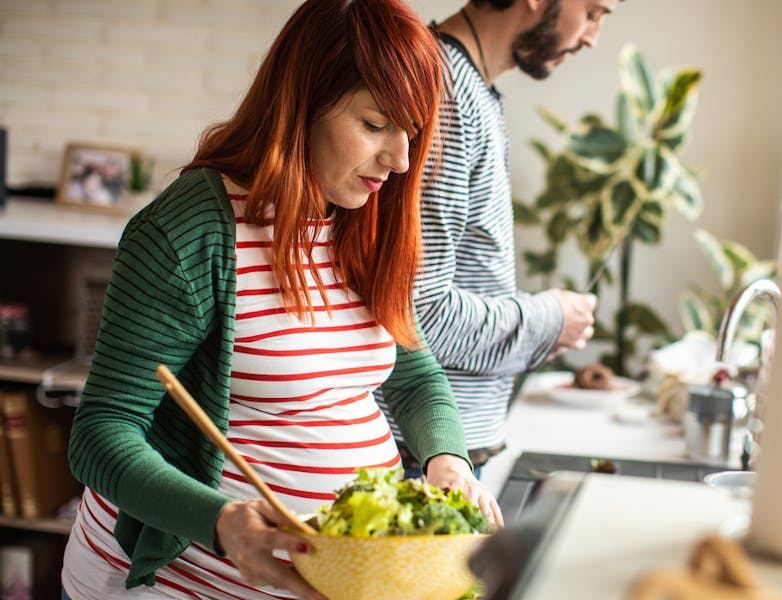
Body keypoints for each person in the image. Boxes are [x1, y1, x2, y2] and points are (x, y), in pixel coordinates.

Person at [60, 1, 500, 598]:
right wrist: (222, 523)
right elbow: (102, 432)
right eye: (374, 125)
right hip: (183, 583)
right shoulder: (188, 234)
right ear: (304, 104)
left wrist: (447, 461)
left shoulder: (362, 217)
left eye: (411, 132)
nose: (399, 160)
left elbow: (415, 374)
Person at [379, 0, 619, 476]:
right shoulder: (448, 95)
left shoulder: (468, 88)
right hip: (422, 460)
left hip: (433, 455)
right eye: (593, 12)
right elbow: (418, 317)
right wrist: (548, 319)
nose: (592, 37)